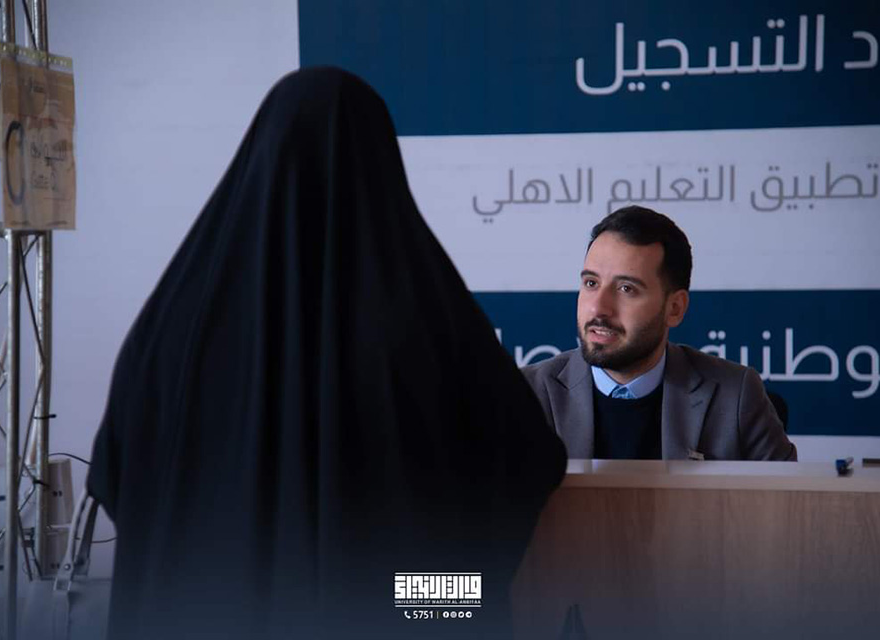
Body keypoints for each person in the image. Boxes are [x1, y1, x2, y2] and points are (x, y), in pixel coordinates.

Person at [87, 67, 566, 640]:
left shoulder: (173, 327)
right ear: (380, 165)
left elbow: (116, 479)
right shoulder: (429, 318)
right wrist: (435, 595)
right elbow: (527, 461)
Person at [522, 206, 796, 461]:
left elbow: (785, 496)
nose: (598, 308)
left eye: (626, 289)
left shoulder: (735, 395)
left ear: (675, 308)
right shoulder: (525, 395)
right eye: (591, 283)